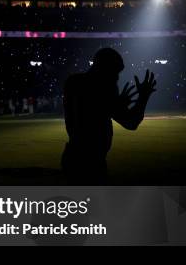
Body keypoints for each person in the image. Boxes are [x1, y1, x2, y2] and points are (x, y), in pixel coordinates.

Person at [61, 48, 157, 184]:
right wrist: (143, 97)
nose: (117, 77)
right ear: (103, 68)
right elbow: (131, 123)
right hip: (88, 163)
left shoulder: (74, 82)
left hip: (76, 157)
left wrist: (116, 104)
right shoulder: (104, 88)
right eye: (115, 71)